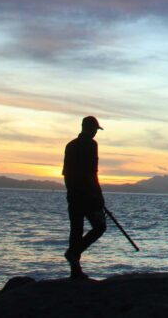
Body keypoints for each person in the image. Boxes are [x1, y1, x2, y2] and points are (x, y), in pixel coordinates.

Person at [62, 116, 107, 279]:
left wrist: (71, 193)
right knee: (99, 227)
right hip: (87, 196)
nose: (95, 132)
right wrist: (98, 197)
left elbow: (66, 174)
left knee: (76, 231)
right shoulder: (91, 145)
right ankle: (73, 254)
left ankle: (75, 270)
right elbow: (92, 173)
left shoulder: (71, 145)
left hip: (73, 195)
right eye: (94, 129)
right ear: (87, 128)